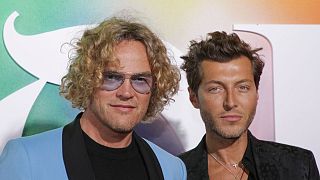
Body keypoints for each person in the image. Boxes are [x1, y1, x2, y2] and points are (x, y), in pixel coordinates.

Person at [0, 17, 186, 180]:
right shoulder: (27, 158)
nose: (126, 92)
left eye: (140, 79)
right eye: (112, 77)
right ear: (87, 79)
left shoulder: (171, 170)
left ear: (154, 88)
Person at [179, 31, 319, 179]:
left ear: (256, 94)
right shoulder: (173, 173)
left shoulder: (298, 167)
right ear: (193, 97)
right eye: (216, 89)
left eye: (243, 88)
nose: (231, 102)